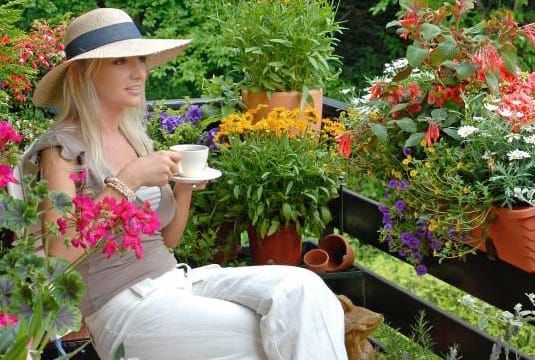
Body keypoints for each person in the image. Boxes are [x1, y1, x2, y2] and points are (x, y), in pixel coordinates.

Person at [24, 7, 348, 360]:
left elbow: (169, 239)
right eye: (121, 62)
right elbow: (59, 254)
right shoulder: (62, 150)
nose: (139, 72)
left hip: (179, 282)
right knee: (278, 330)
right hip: (124, 310)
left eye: (142, 59)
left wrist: (184, 187)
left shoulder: (134, 139)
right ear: (84, 73)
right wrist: (129, 179)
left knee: (306, 291)